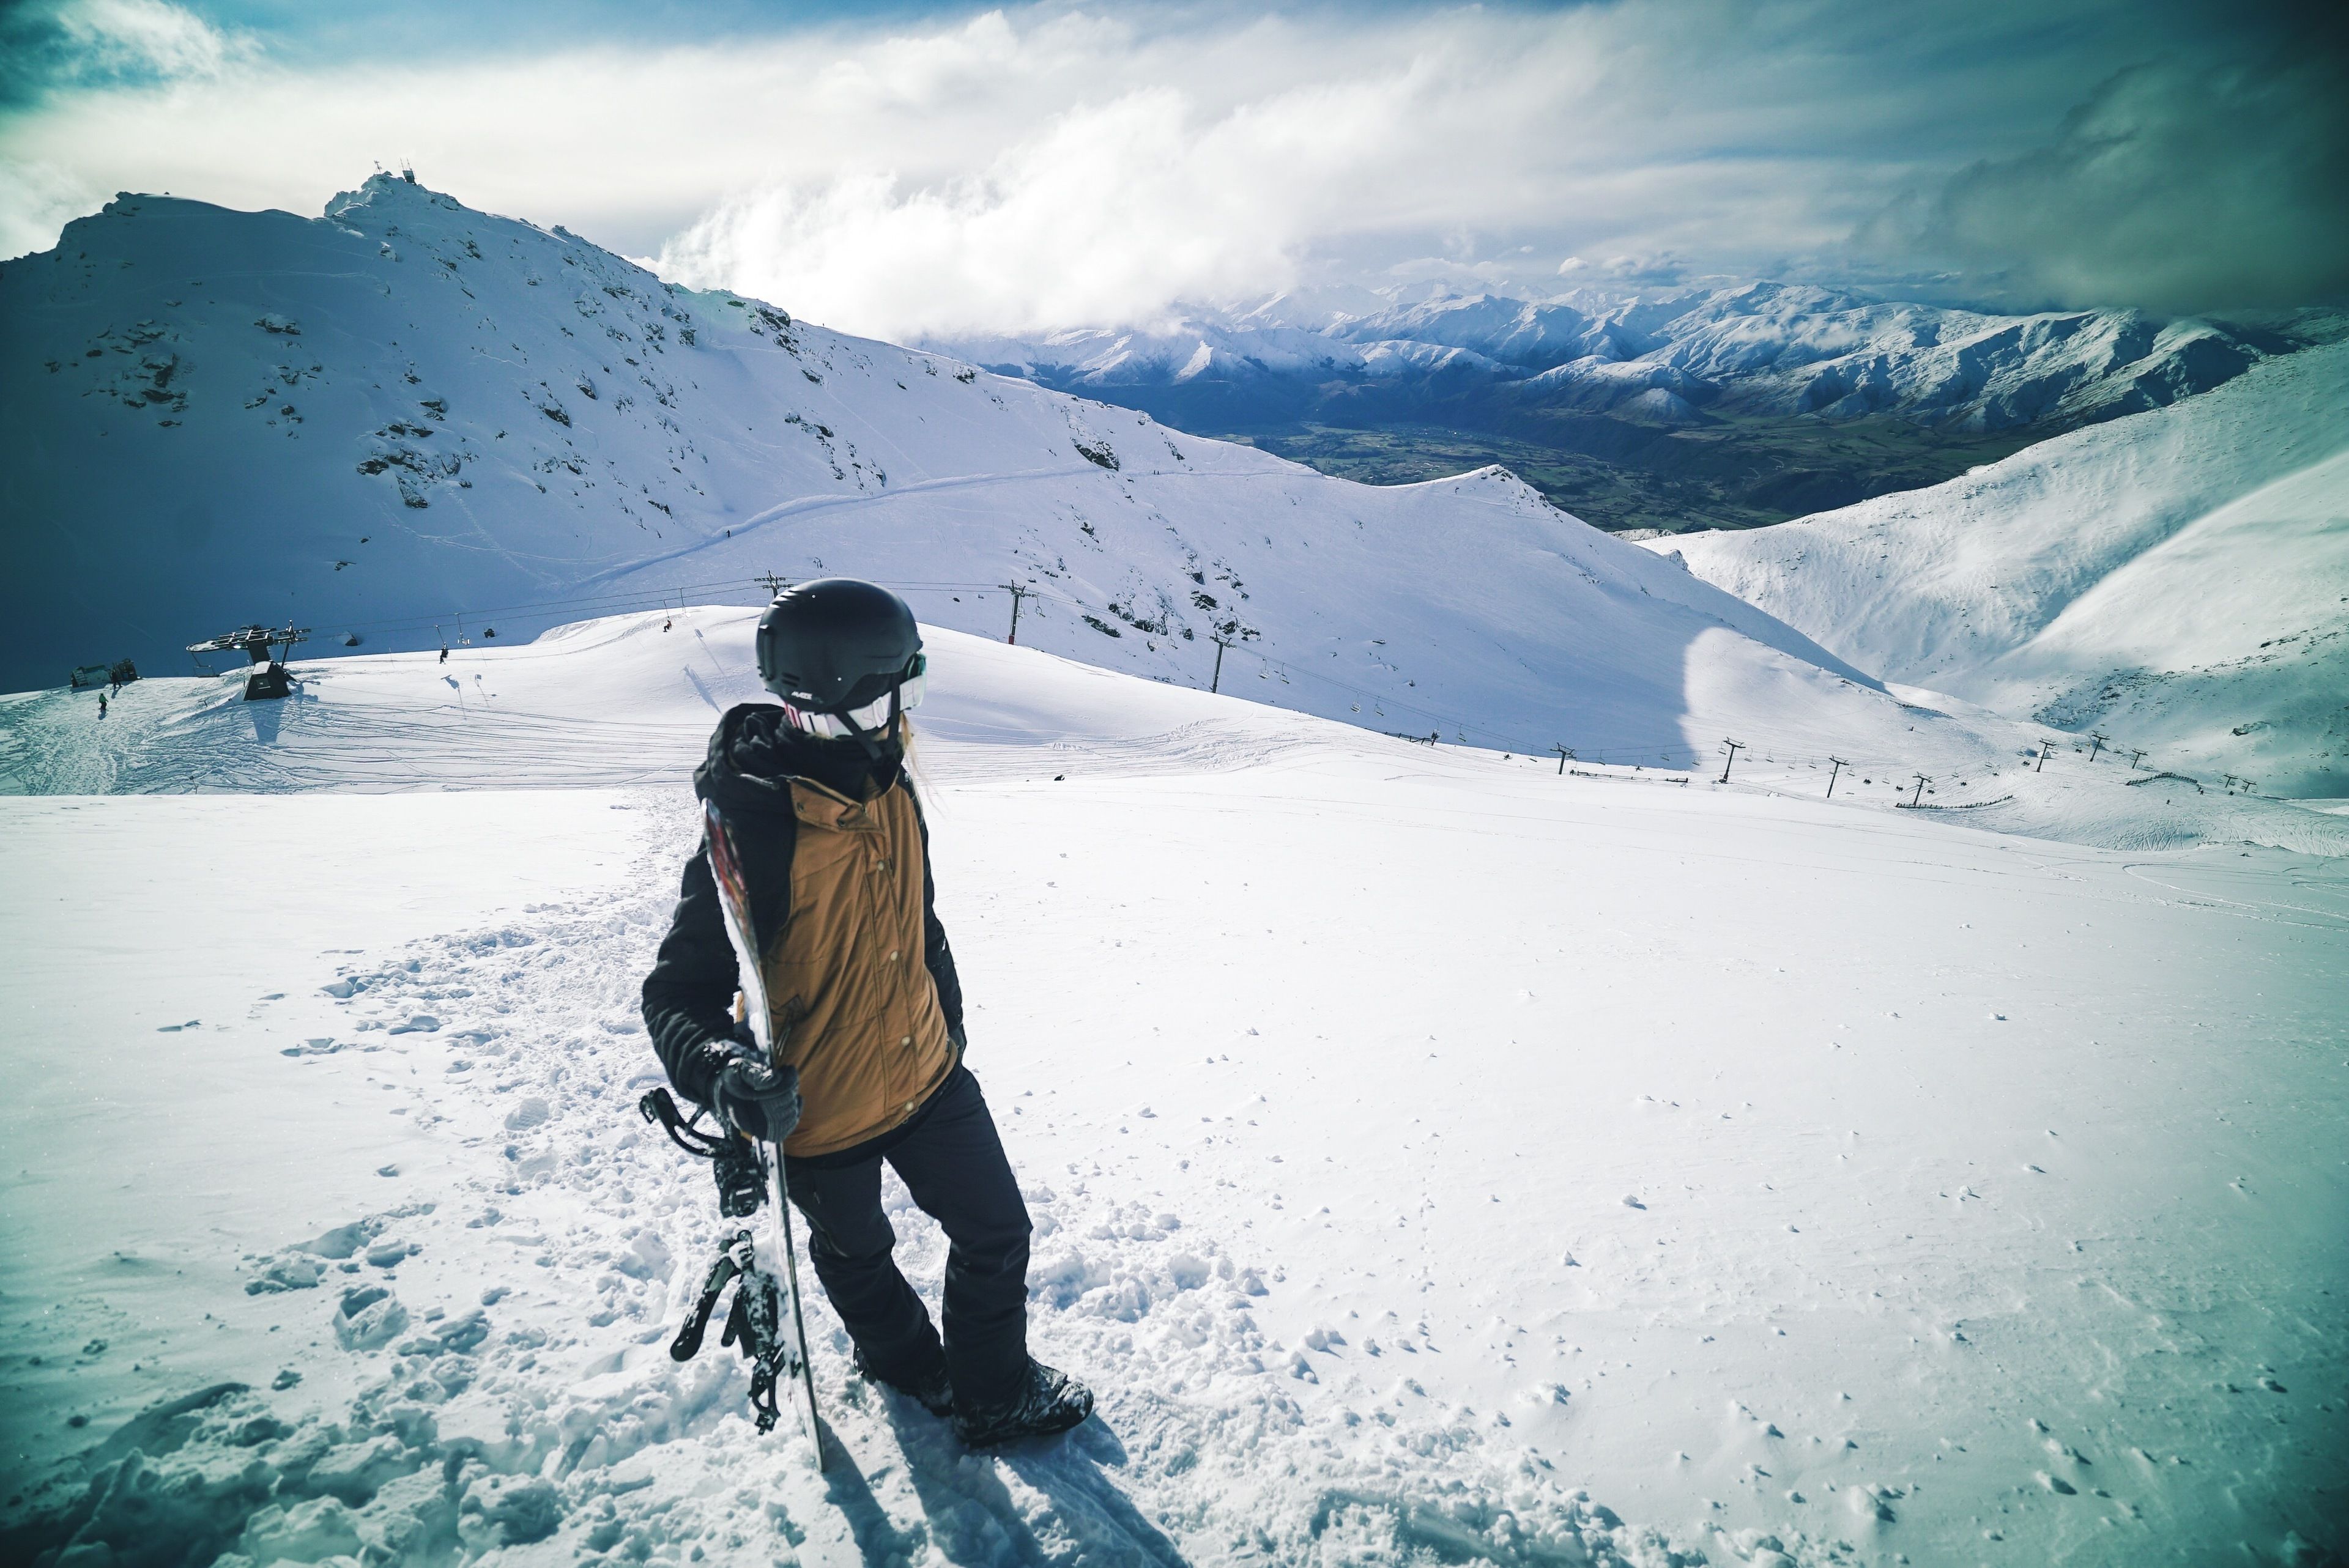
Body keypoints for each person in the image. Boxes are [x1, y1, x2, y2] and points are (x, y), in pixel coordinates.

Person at [641, 579, 1092, 1448]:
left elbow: (916, 920)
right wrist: (725, 1077)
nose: (909, 708)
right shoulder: (754, 825)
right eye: (904, 687)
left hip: (927, 1073)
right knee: (857, 1258)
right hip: (819, 1113)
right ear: (850, 694)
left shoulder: (892, 784)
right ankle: (905, 1363)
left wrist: (948, 1024)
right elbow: (677, 993)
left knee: (998, 1234)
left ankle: (995, 1393)